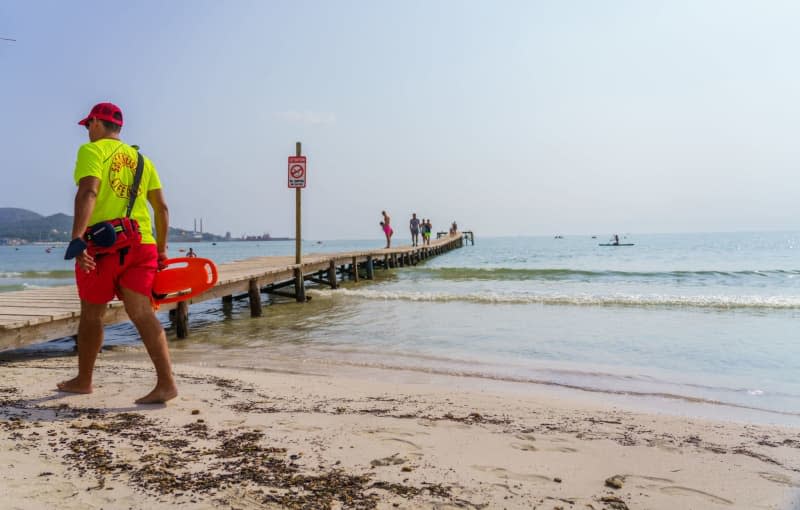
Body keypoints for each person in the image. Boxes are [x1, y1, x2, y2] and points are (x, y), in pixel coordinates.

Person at [58, 102, 177, 404]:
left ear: (96, 123)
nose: (87, 131)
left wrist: (76, 238)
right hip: (143, 244)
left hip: (104, 248)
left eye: (88, 126)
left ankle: (84, 380)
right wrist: (161, 249)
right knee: (141, 312)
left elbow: (89, 191)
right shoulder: (142, 160)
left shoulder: (93, 152)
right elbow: (161, 209)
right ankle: (166, 383)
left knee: (92, 315)